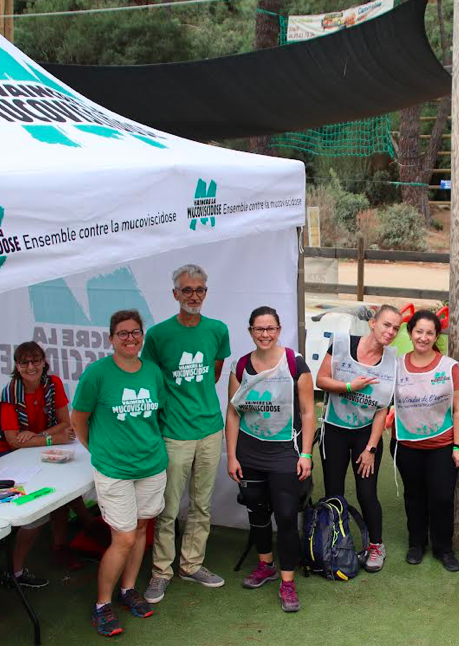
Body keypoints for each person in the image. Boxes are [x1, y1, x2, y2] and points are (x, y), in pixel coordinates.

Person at [72, 310, 168, 638]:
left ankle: (128, 590)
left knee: (141, 529)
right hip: (114, 469)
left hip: (151, 464)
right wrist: (97, 450)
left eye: (136, 332)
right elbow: (79, 419)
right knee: (123, 536)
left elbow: (157, 415)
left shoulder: (153, 372)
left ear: (142, 336)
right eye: (123, 333)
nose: (130, 338)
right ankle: (102, 603)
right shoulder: (97, 374)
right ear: (111, 338)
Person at [142, 265, 231, 604]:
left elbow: (214, 373)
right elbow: (151, 379)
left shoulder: (217, 330)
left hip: (209, 429)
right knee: (167, 507)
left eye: (200, 290)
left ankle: (191, 564)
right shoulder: (159, 335)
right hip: (174, 432)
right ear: (175, 294)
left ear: (205, 293)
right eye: (187, 290)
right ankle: (160, 572)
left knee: (202, 504)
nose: (194, 295)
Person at [227, 306, 315, 613]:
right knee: (257, 512)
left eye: (270, 329)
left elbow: (307, 412)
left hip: (284, 454)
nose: (265, 334)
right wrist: (232, 456)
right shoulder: (240, 366)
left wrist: (305, 453)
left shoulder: (295, 364)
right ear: (250, 331)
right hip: (250, 453)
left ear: (279, 330)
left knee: (287, 516)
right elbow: (233, 413)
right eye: (258, 329)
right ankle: (266, 566)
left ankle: (288, 583)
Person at [0, 341, 92, 587]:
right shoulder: (9, 393)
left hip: (39, 448)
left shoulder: (53, 383)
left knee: (65, 485)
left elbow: (65, 423)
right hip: (8, 459)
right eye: (24, 362)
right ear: (16, 365)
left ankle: (66, 541)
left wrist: (42, 436)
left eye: (35, 360)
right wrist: (50, 437)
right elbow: (13, 442)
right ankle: (18, 568)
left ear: (43, 362)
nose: (31, 366)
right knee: (45, 498)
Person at [315, 305, 401, 572]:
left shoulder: (392, 360)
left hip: (366, 434)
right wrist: (350, 386)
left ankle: (376, 546)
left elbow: (381, 409)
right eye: (386, 325)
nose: (391, 332)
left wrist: (371, 448)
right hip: (335, 430)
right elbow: (321, 380)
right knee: (334, 493)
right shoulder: (341, 343)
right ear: (373, 323)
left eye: (396, 328)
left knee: (367, 493)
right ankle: (336, 542)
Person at [392, 310, 459, 571]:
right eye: (419, 331)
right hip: (406, 444)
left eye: (430, 333)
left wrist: (458, 445)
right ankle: (416, 543)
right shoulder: (396, 363)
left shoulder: (450, 367)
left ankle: (443, 548)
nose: (423, 337)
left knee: (442, 498)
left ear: (436, 336)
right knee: (414, 496)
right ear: (410, 333)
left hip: (442, 446)